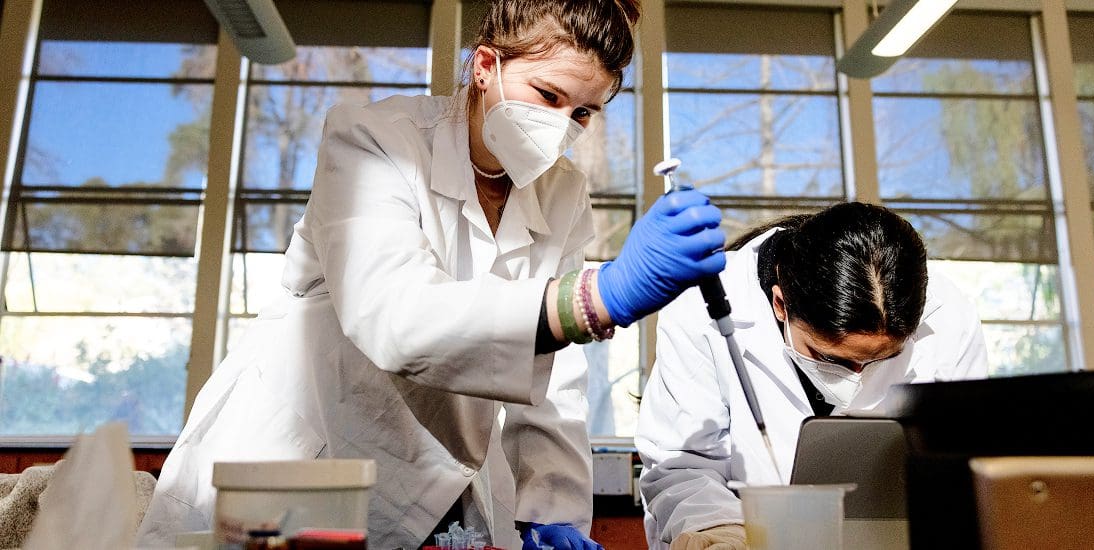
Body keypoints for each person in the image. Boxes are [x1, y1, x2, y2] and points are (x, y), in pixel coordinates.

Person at [136, 1, 727, 549]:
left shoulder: (564, 192)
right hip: (295, 466)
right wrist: (597, 297)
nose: (563, 125)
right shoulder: (374, 142)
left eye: (583, 112)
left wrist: (551, 502)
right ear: (486, 66)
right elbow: (395, 318)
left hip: (436, 493)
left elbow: (554, 372)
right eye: (547, 95)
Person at [636, 202, 989, 550]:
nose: (855, 379)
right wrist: (721, 530)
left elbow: (963, 462)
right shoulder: (701, 312)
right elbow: (680, 465)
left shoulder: (950, 316)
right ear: (780, 304)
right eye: (828, 357)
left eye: (884, 358)